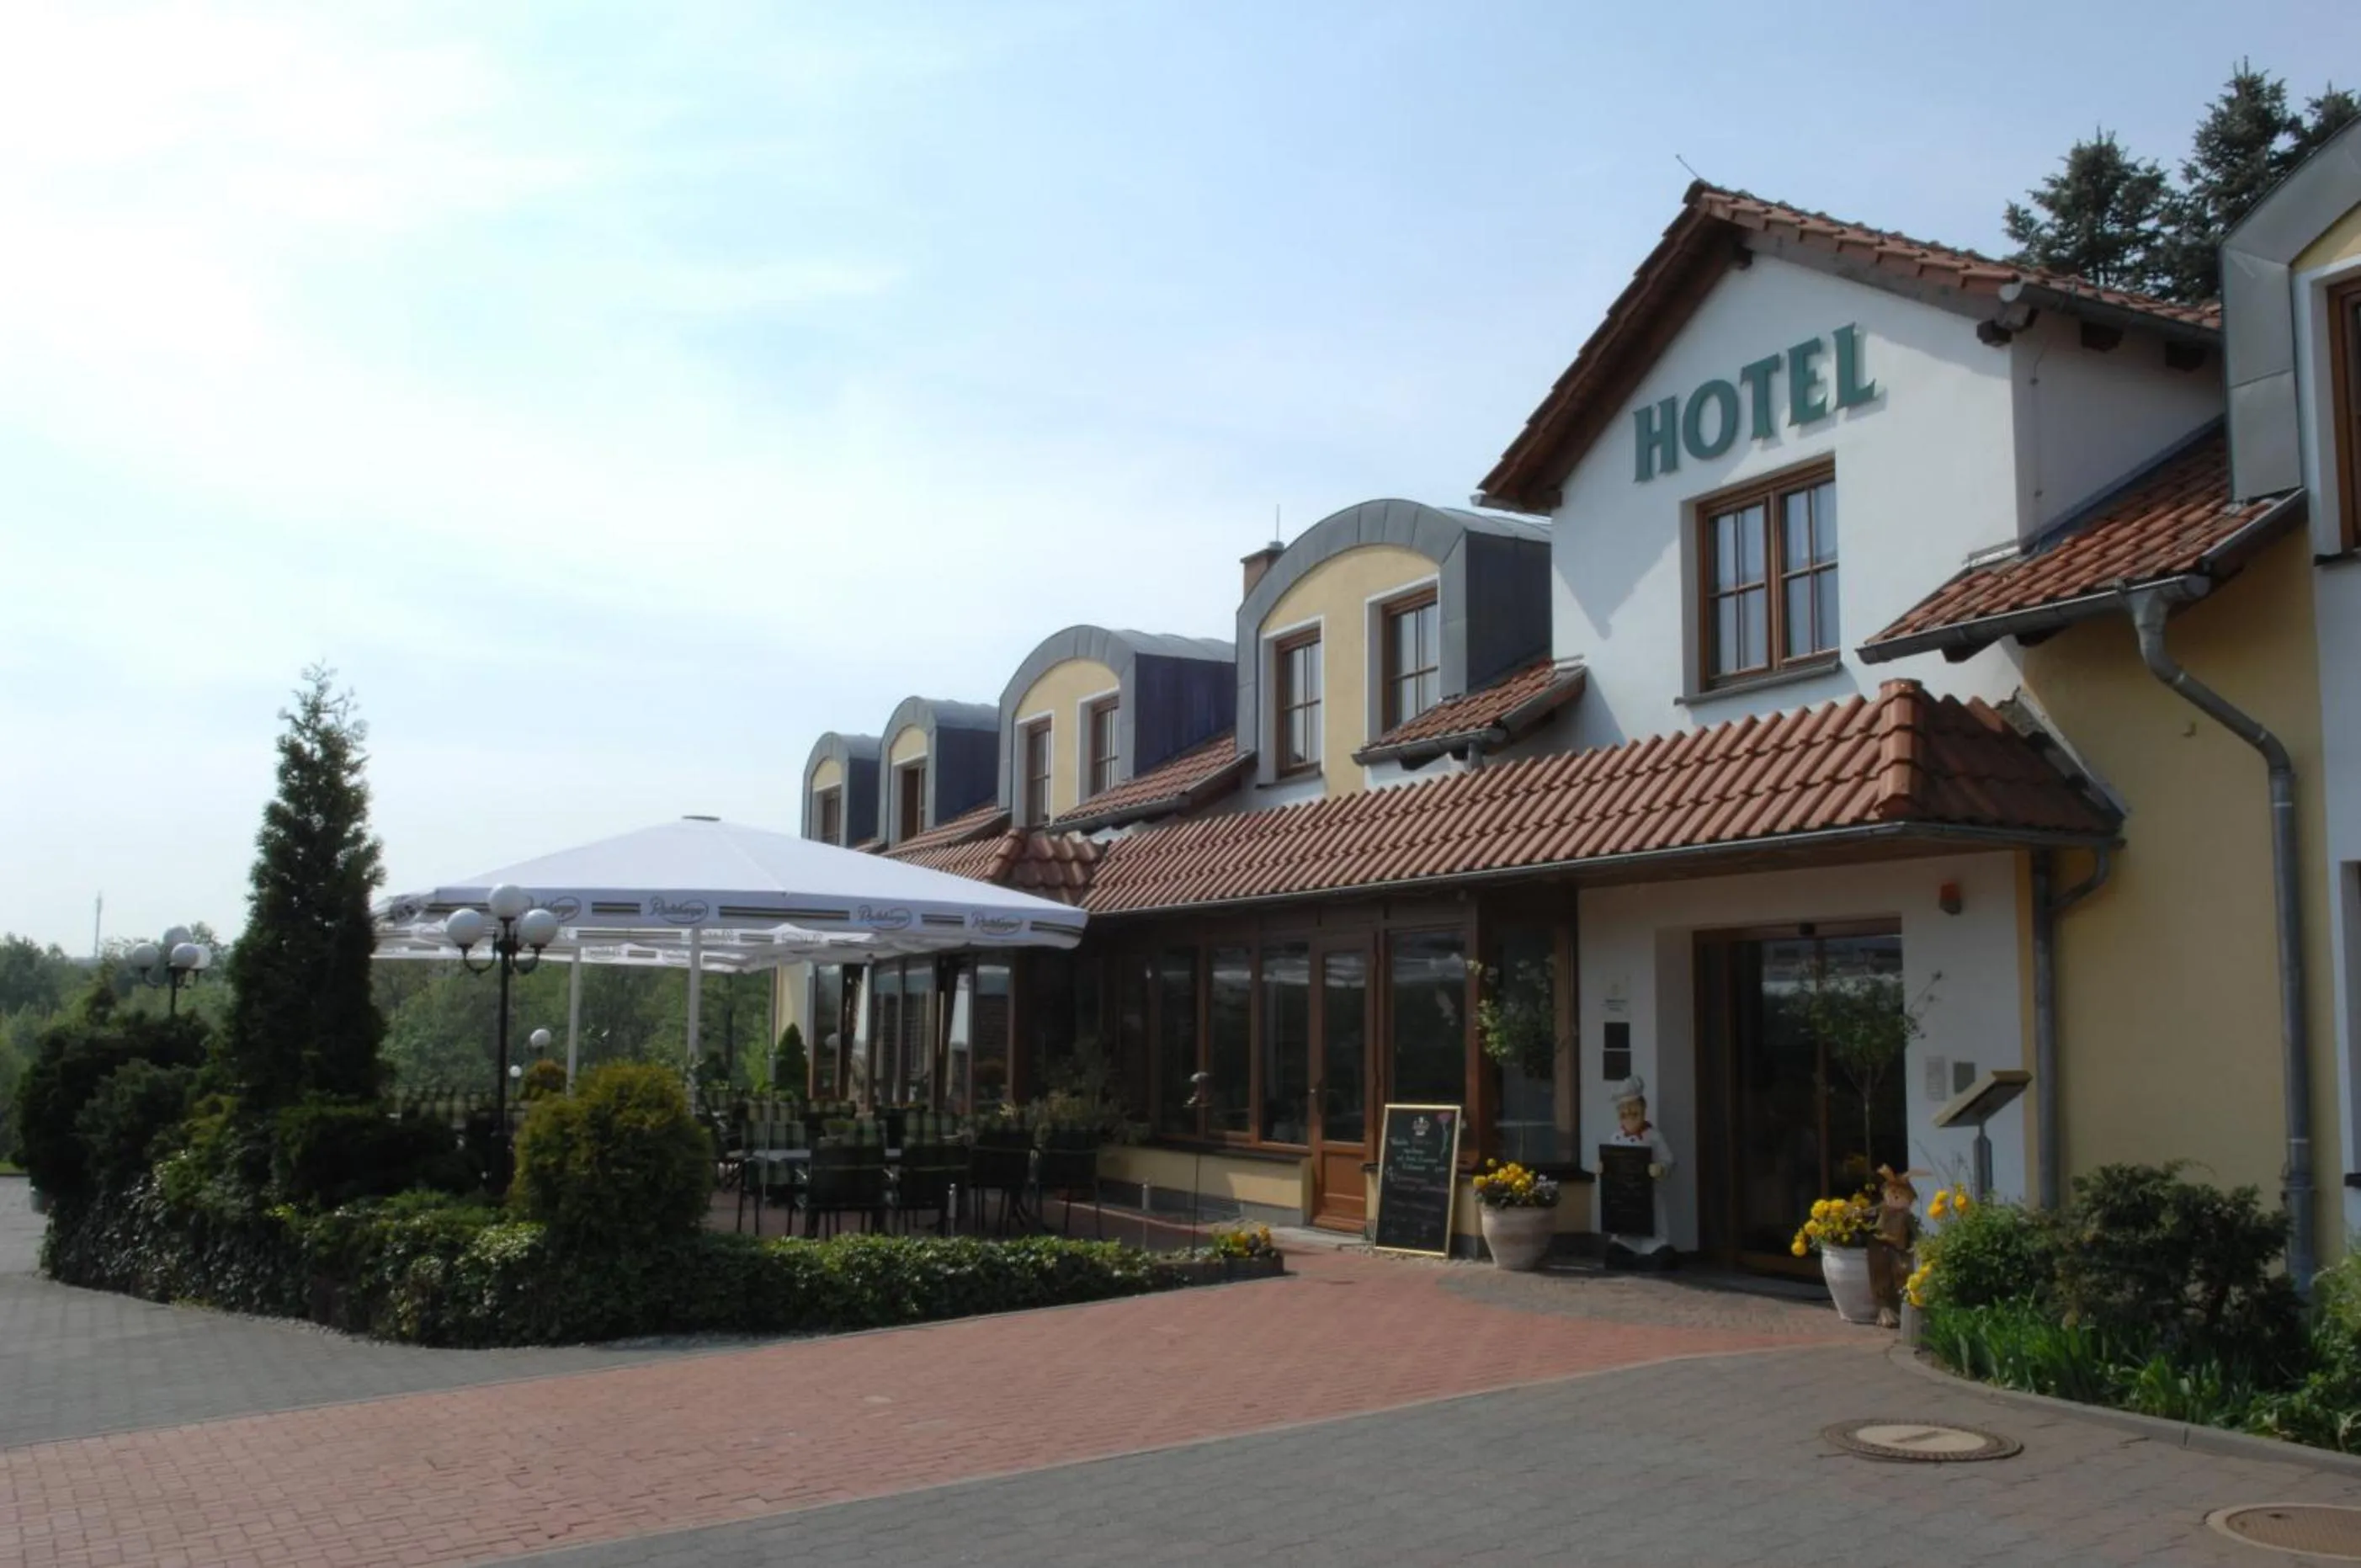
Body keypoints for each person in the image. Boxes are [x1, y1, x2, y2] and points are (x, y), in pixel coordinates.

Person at [1603, 1076, 1677, 1268]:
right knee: (1618, 1248)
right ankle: (1631, 1255)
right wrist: (1604, 1168)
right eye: (1623, 1109)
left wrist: (1660, 1168)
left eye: (1632, 1107)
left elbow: (1669, 1160)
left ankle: (1651, 1255)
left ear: (1642, 1108)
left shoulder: (1653, 1136)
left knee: (1660, 1249)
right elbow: (1611, 1163)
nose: (1628, 1112)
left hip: (1648, 1198)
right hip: (1625, 1201)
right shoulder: (1616, 1137)